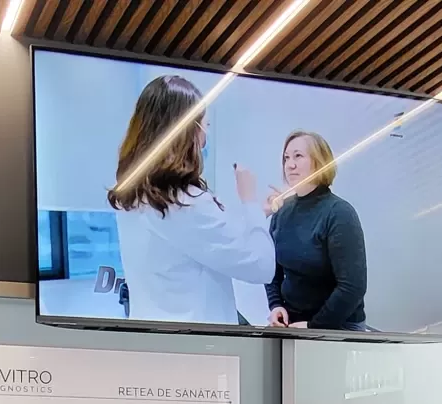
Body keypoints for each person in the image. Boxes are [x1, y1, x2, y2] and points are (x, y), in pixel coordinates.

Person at [108, 75, 274, 326]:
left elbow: (197, 243)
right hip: (198, 343)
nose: (205, 138)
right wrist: (249, 200)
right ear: (187, 131)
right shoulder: (185, 204)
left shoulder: (133, 196)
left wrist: (256, 215)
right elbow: (261, 266)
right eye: (204, 126)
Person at [266, 131, 368, 331]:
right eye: (286, 158)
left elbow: (352, 287)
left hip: (336, 325)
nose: (290, 164)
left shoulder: (339, 213)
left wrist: (314, 326)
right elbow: (271, 268)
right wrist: (276, 304)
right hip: (293, 322)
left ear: (319, 162)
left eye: (298, 156)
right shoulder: (282, 211)